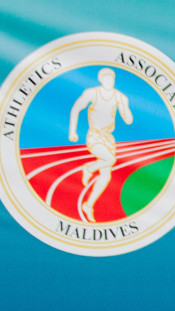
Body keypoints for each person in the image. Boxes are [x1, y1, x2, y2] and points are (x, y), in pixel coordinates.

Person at [67, 69, 132, 222]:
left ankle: (88, 205)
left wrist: (124, 105)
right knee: (110, 159)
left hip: (109, 138)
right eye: (107, 78)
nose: (110, 81)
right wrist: (72, 132)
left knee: (106, 176)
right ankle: (89, 168)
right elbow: (76, 108)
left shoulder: (119, 96)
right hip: (95, 135)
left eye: (112, 78)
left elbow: (128, 120)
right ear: (101, 79)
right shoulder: (92, 93)